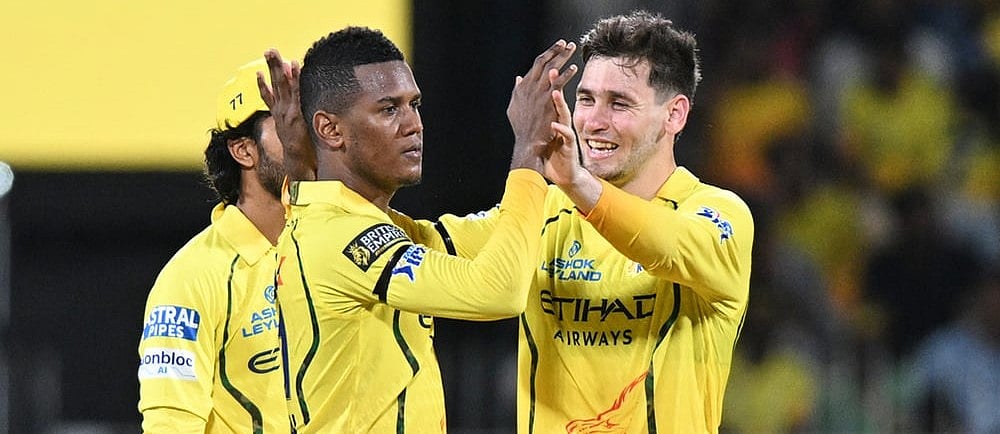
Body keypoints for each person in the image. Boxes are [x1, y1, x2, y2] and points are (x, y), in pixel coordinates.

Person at [266, 11, 752, 432]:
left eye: (619, 104)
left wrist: (573, 183)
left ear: (675, 115)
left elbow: (668, 244)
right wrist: (305, 166)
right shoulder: (540, 213)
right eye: (586, 99)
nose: (594, 122)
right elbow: (405, 242)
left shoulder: (717, 215)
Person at [268, 27, 575, 433]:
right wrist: (528, 151)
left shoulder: (352, 221)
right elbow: (499, 291)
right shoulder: (343, 237)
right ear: (330, 130)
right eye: (389, 109)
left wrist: (585, 181)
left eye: (415, 104)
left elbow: (512, 224)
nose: (414, 124)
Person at [137, 59, 289, 433]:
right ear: (244, 150)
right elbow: (169, 423)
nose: (307, 140)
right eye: (287, 124)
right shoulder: (191, 277)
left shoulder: (329, 249)